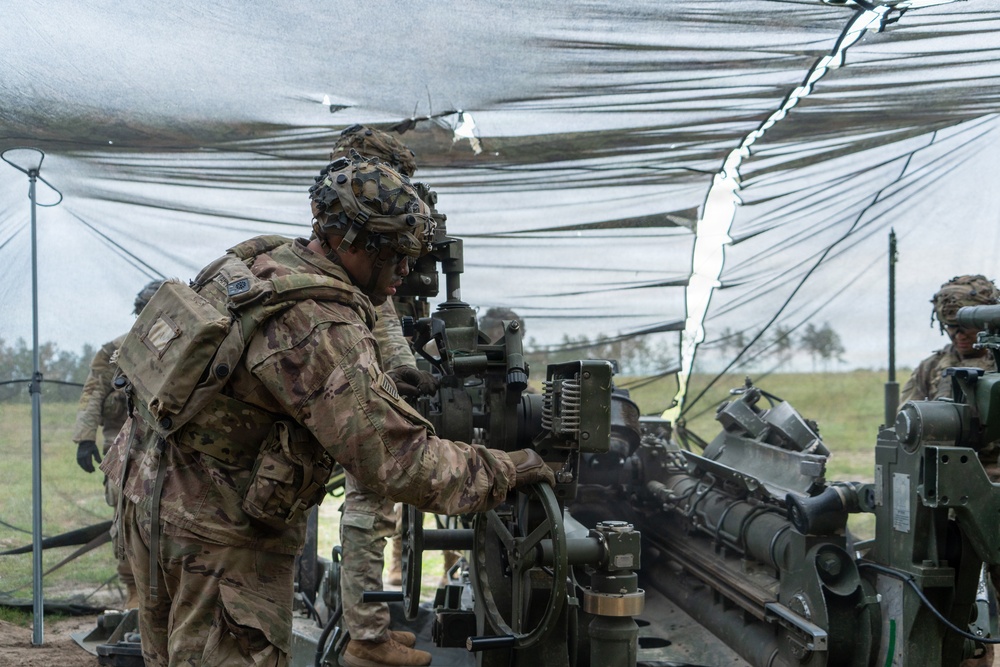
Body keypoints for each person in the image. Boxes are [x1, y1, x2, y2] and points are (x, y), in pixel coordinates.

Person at [100, 154, 553, 667]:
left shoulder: (264, 261)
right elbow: (397, 461)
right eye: (394, 254)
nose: (404, 272)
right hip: (216, 537)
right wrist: (508, 468)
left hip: (149, 499)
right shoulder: (317, 323)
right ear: (348, 241)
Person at [326, 125, 451, 665]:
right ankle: (368, 636)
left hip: (378, 372)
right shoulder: (349, 237)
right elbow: (379, 315)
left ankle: (375, 625)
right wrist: (402, 367)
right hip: (360, 379)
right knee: (370, 506)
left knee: (386, 509)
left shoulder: (351, 227)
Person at [900, 274, 1000, 667]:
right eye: (952, 327)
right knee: (958, 603)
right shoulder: (932, 369)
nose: (960, 336)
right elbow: (904, 427)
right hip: (948, 494)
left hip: (993, 494)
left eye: (968, 326)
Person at [72, 278, 162, 610]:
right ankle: (133, 593)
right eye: (143, 312)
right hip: (123, 445)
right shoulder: (116, 350)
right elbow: (94, 391)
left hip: (168, 447)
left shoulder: (186, 348)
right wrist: (84, 438)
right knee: (125, 518)